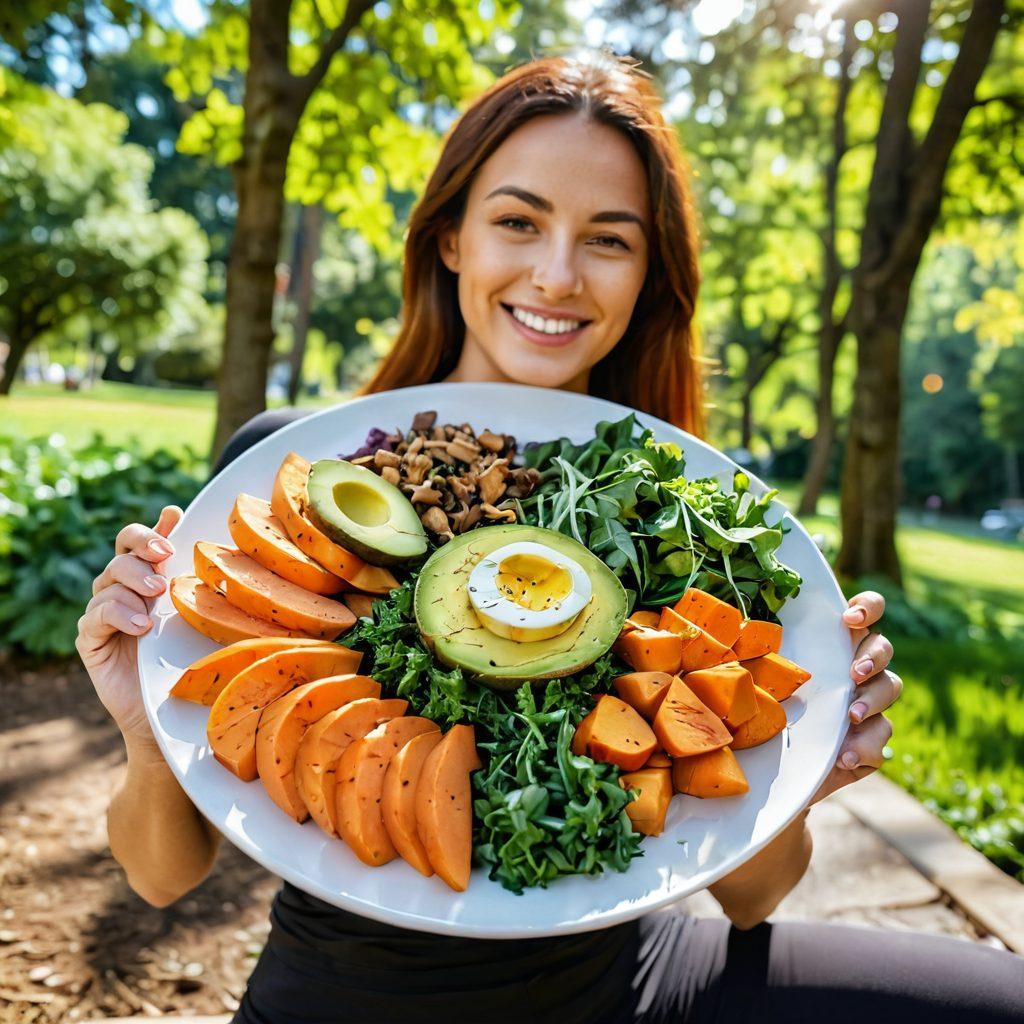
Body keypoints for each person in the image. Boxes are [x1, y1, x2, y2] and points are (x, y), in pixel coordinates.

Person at [76, 51, 1022, 1024]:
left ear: (649, 273)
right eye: (518, 222)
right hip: (350, 994)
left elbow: (753, 897)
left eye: (608, 239)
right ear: (451, 238)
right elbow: (159, 877)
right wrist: (145, 728)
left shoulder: (675, 511)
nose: (558, 275)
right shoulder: (287, 475)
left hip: (632, 982)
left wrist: (803, 775)